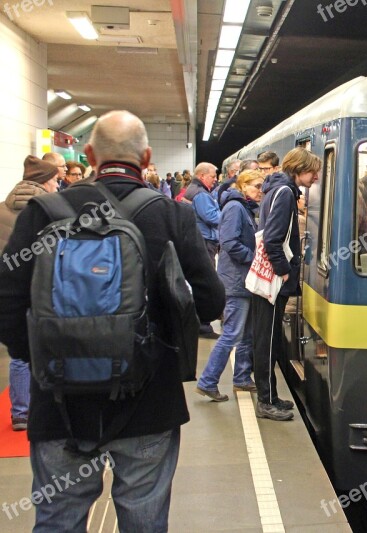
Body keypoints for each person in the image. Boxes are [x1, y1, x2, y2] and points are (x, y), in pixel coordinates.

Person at [0, 110, 225, 531]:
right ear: (147, 156)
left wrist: (43, 358)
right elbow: (212, 301)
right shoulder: (171, 214)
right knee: (143, 521)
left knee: (57, 522)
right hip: (148, 402)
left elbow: (7, 303)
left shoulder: (43, 211)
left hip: (60, 401)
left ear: (89, 154)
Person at [251, 147, 320, 421]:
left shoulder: (278, 190)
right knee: (266, 341)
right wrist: (285, 272)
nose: (315, 177)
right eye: (313, 171)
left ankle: (271, 396)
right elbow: (272, 240)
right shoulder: (284, 194)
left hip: (274, 280)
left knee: (269, 340)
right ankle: (265, 401)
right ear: (299, 169)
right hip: (274, 279)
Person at [0, 155, 60, 432]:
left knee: (18, 354)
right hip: (42, 290)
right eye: (56, 180)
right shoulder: (49, 211)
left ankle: (20, 412)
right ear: (46, 181)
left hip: (8, 287)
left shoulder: (2, 208)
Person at [195, 169, 263, 402]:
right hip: (236, 280)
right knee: (232, 333)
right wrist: (254, 258)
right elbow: (229, 243)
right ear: (243, 186)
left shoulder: (241, 207)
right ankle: (208, 381)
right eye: (256, 185)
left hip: (242, 280)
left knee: (246, 333)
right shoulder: (235, 208)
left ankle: (242, 377)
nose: (260, 191)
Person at [182, 162, 221, 338]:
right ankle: (203, 325)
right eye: (213, 176)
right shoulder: (201, 194)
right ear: (202, 175)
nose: (215, 180)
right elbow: (212, 217)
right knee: (205, 281)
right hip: (205, 240)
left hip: (198, 238)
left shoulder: (192, 190)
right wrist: (227, 214)